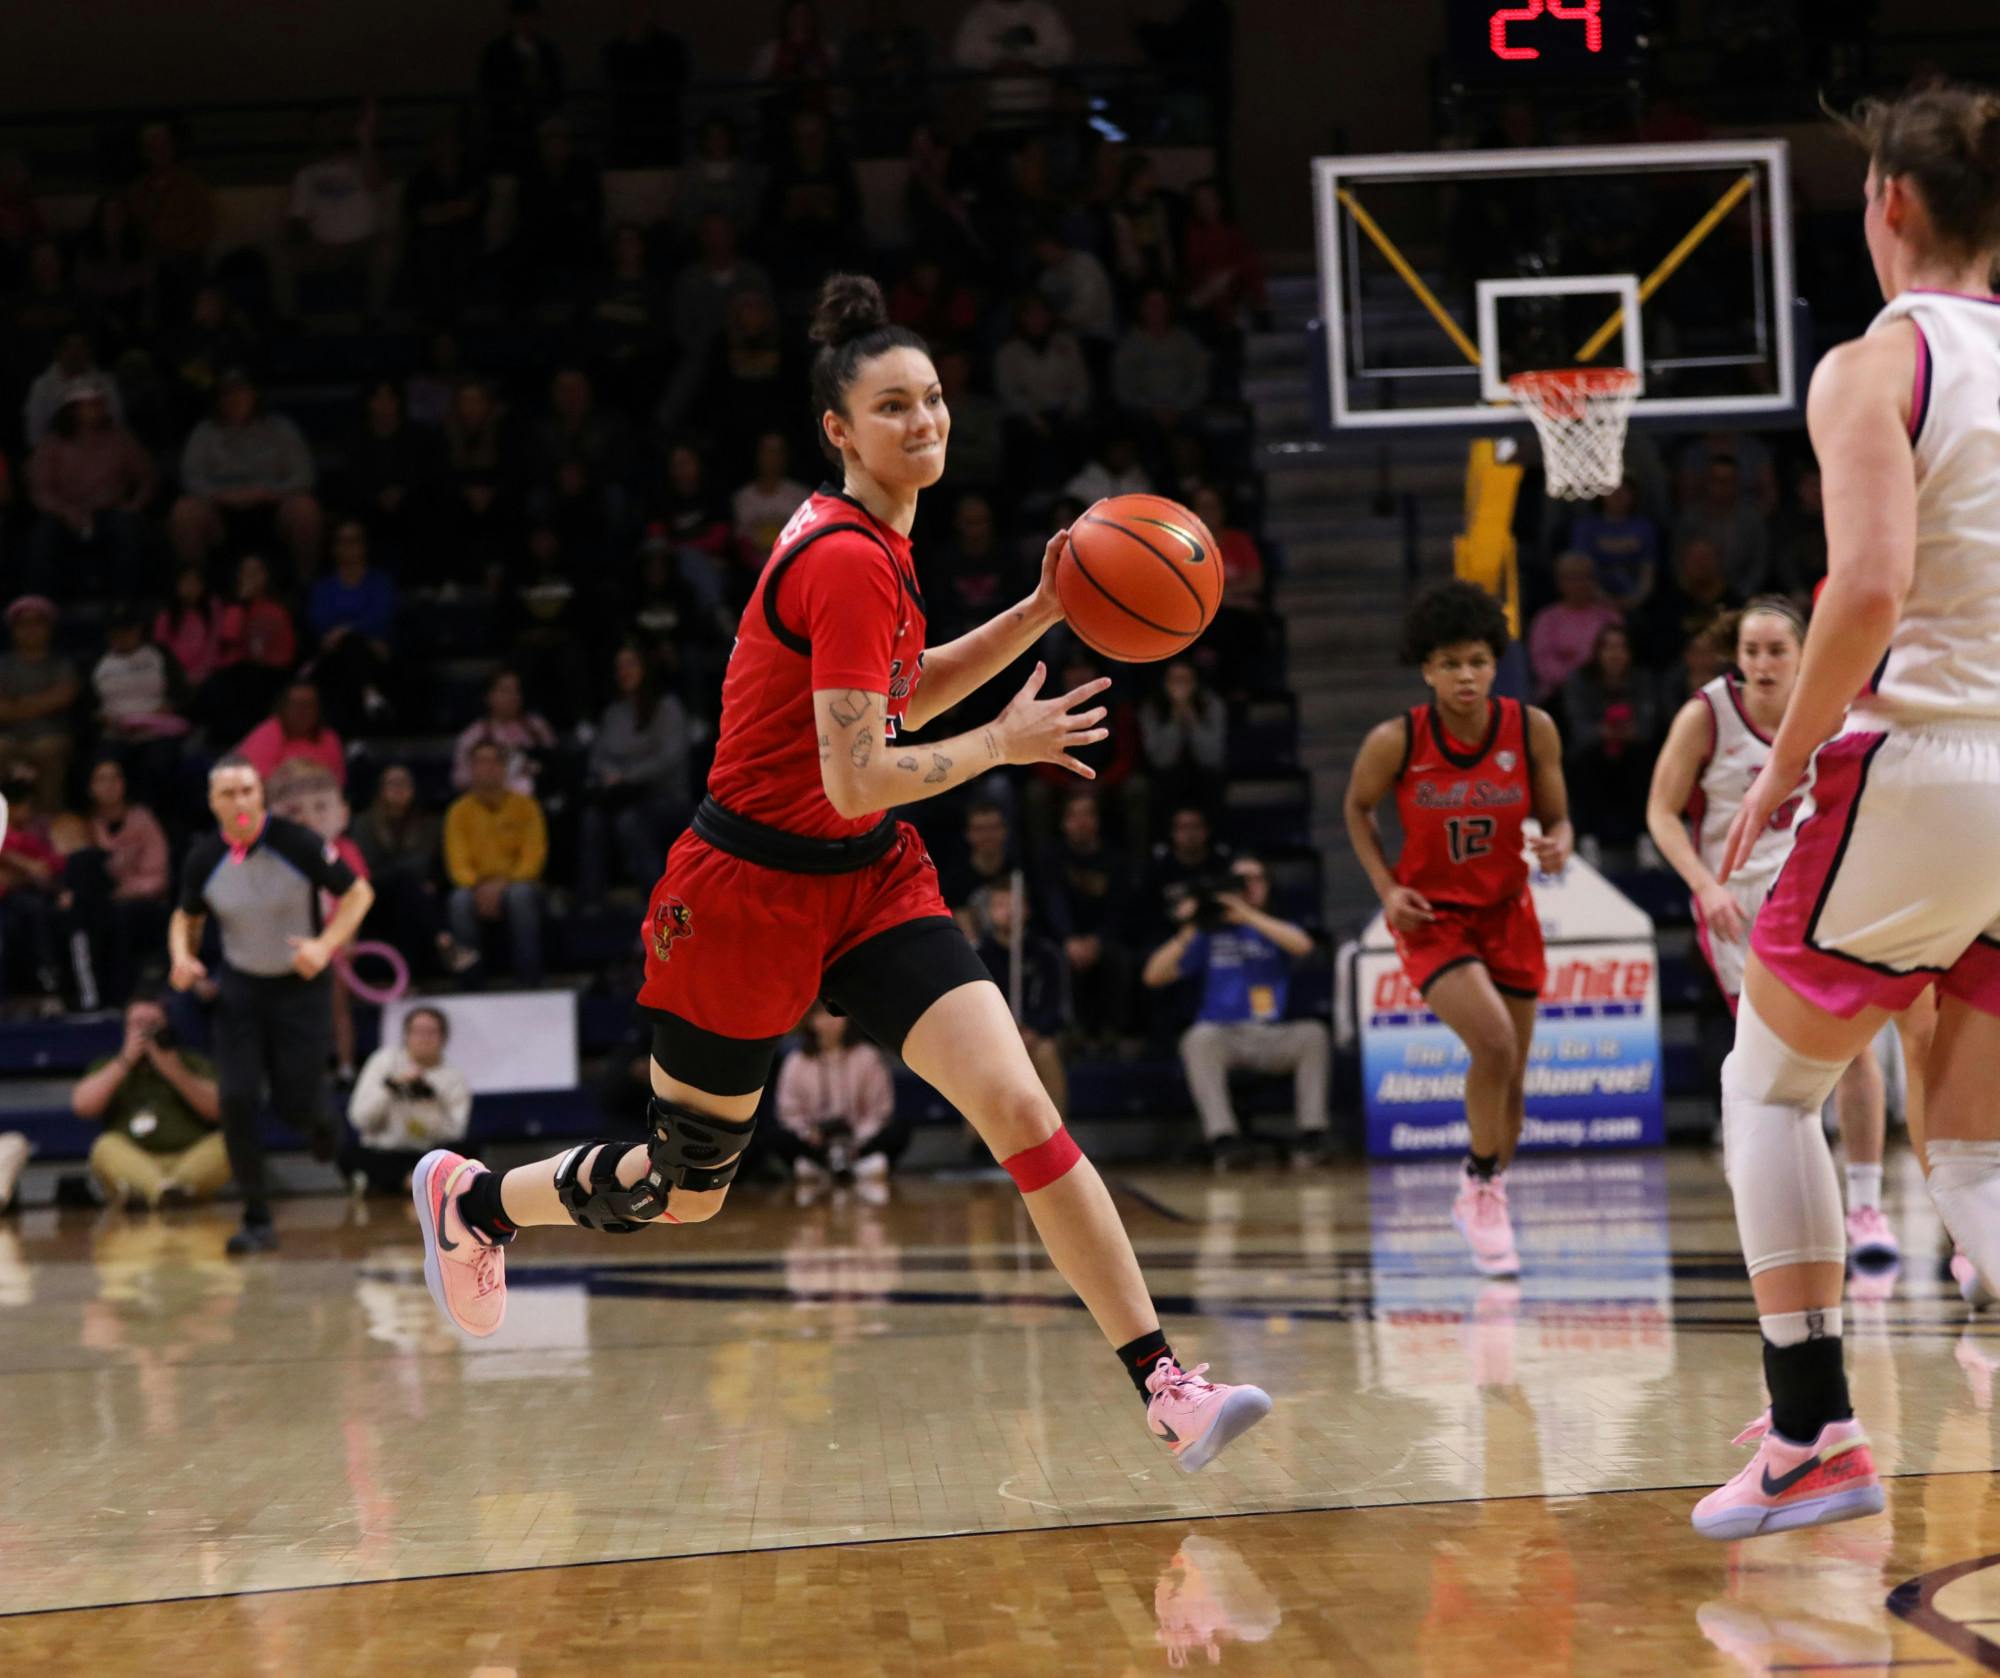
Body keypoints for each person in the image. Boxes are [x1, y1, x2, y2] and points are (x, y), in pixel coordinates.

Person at [408, 272, 1271, 1471]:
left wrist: (1037, 606)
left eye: (930, 401)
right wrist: (1004, 746)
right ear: (837, 430)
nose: (922, 423)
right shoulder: (848, 560)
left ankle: (1163, 1382)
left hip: (867, 880)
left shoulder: (877, 546)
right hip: (744, 891)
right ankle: (477, 1200)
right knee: (685, 1185)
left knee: (1021, 1108)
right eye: (892, 408)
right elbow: (862, 768)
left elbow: (889, 700)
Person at [1687, 86, 2000, 1540]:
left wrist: (1794, 761)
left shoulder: (1876, 364)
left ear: (1888, 202)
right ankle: (1807, 1413)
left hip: (1929, 758)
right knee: (1978, 1141)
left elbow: (1868, 587)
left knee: (1770, 1085)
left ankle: (1812, 1427)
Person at [1645, 599, 1909, 1271]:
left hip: (1818, 896)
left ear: (1802, 655)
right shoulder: (1706, 716)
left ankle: (1865, 1205)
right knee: (1771, 1065)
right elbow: (1661, 811)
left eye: (1775, 651)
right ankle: (1778, 1201)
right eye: (1751, 650)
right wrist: (1704, 887)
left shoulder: (1835, 708)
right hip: (1737, 906)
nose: (1761, 663)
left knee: (1854, 1052)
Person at [1343, 580, 1573, 1275]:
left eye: (1475, 660)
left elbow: (1558, 816)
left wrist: (1560, 840)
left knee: (1513, 1078)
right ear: (1426, 669)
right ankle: (1476, 1184)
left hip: (1509, 912)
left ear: (1494, 662)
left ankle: (1490, 1191)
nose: (1464, 676)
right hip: (1435, 922)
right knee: (1495, 1044)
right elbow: (1357, 809)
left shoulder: (1532, 728)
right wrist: (1388, 888)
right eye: (1449, 664)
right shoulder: (1397, 740)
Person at [169, 756, 374, 1253]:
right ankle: (257, 1218)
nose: (239, 801)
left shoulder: (295, 842)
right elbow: (186, 915)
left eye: (246, 790)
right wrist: (182, 957)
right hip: (242, 988)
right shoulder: (203, 857)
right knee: (236, 1098)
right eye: (228, 793)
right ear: (213, 803)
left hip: (300, 987)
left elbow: (358, 893)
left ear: (260, 795)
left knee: (295, 1103)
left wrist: (324, 946)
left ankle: (325, 1127)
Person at [1144, 855, 1328, 1169]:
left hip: (1271, 1035)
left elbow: (1303, 947)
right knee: (1198, 1039)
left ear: (1268, 886)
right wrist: (1192, 925)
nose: (1247, 887)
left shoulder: (1271, 928)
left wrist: (1246, 914)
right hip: (1223, 1036)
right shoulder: (1209, 933)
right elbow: (1153, 976)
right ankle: (1223, 1139)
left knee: (1313, 1034)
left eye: (1255, 880)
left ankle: (1312, 1134)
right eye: (1239, 882)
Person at [70, 994, 228, 1208]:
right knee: (104, 1148)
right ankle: (162, 1190)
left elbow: (220, 1110)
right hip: (136, 1163)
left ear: (168, 1027)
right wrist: (125, 1061)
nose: (145, 1033)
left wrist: (173, 1071)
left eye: (153, 1025)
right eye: (138, 1025)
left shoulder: (191, 1062)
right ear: (125, 1030)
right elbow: (83, 1107)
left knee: (228, 1143)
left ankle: (170, 1189)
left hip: (188, 1161)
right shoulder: (109, 1064)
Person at [170, 371, 324, 584]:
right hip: (220, 512)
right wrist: (222, 495)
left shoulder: (281, 428)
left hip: (273, 507)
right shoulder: (204, 432)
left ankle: (307, 584)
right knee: (184, 512)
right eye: (228, 393)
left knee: (305, 509)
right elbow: (190, 478)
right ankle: (193, 588)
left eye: (241, 391)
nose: (235, 398)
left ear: (255, 394)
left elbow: (304, 475)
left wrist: (270, 492)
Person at [580, 643, 692, 904]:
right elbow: (598, 758)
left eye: (630, 664)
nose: (624, 672)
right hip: (621, 797)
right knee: (592, 820)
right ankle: (590, 903)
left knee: (630, 822)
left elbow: (670, 759)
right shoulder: (614, 712)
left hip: (665, 798)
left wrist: (628, 776)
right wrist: (611, 776)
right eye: (619, 667)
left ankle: (660, 906)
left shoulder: (668, 708)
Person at [25, 380, 154, 602]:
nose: (94, 410)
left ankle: (122, 606)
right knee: (43, 537)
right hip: (65, 514)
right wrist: (65, 511)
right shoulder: (52, 444)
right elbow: (40, 489)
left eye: (97, 404)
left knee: (127, 533)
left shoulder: (120, 439)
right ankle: (45, 606)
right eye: (87, 405)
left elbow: (147, 477)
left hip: (111, 511)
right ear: (72, 409)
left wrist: (134, 505)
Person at [772, 1000, 907, 1195]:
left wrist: (857, 1138)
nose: (829, 1022)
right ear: (810, 1020)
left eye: (834, 1015)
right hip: (816, 1141)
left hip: (858, 1138)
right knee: (776, 1137)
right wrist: (810, 1134)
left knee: (898, 1130)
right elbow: (789, 1112)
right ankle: (826, 1165)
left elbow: (880, 1109)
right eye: (820, 1015)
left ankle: (852, 1163)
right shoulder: (796, 1061)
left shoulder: (867, 1057)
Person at [275, 102, 392, 322]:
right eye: (319, 129)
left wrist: (366, 142)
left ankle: (372, 324)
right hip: (324, 248)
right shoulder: (306, 174)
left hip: (363, 244)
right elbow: (296, 221)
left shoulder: (358, 163)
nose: (326, 134)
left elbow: (376, 183)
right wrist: (307, 242)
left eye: (330, 127)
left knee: (381, 255)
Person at [444, 738, 548, 986]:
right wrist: (478, 886)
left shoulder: (526, 806)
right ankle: (471, 983)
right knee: (459, 900)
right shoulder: (459, 811)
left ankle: (529, 982)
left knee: (520, 895)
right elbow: (457, 863)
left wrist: (502, 885)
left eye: (493, 761)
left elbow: (534, 857)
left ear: (504, 767)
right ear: (470, 768)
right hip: (475, 888)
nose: (487, 768)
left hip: (517, 884)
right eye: (480, 762)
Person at [1040, 786, 1135, 1044]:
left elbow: (1120, 909)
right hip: (1064, 938)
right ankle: (1071, 1033)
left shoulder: (1115, 860)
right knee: (1054, 957)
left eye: (1088, 815)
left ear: (1097, 821)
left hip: (1104, 937)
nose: (1081, 823)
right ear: (1063, 823)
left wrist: (1098, 940)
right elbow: (1052, 903)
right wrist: (1069, 939)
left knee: (1119, 958)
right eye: (1074, 816)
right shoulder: (1051, 858)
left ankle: (1113, 1033)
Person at [342, 1006, 472, 1196]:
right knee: (348, 1154)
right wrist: (391, 1087)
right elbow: (359, 1119)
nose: (424, 1038)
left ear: (444, 1038)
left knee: (466, 1152)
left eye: (431, 1032)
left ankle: (398, 1182)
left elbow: (455, 1132)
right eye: (418, 1031)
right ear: (406, 1035)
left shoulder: (454, 1077)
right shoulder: (384, 1062)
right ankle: (417, 1184)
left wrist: (429, 1102)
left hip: (428, 1154)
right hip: (387, 1151)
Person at [970, 879, 1072, 1118]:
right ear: (990, 912)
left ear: (1026, 909)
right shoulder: (977, 956)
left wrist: (1033, 1030)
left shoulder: (1045, 954)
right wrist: (1006, 1035)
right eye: (1000, 904)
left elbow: (1056, 1007)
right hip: (993, 1038)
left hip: (1035, 1036)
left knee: (1046, 1053)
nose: (1008, 911)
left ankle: (1058, 1134)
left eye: (1014, 903)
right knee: (975, 1060)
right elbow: (974, 1010)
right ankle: (978, 1139)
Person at [1558, 622, 1658, 852]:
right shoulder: (1579, 680)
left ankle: (1645, 838)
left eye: (1621, 647)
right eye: (1608, 648)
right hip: (1592, 751)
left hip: (1633, 750)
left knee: (1644, 761)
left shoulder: (1643, 679)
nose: (1614, 654)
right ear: (1597, 652)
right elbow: (1577, 726)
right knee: (1585, 762)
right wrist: (1604, 732)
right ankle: (1586, 838)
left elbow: (1648, 726)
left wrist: (1627, 732)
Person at [304, 518, 398, 734]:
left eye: (354, 541)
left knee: (354, 645)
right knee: (350, 648)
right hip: (334, 654)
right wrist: (350, 633)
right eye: (342, 542)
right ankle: (369, 694)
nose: (349, 547)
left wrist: (347, 630)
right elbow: (320, 620)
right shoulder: (324, 587)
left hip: (375, 652)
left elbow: (381, 617)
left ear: (364, 546)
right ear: (334, 548)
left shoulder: (379, 582)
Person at [0, 595, 79, 813]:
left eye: (37, 623)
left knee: (48, 751)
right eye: (23, 624)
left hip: (50, 736)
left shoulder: (62, 663)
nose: (30, 629)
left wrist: (17, 705)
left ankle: (47, 821)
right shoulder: (3, 665)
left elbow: (64, 696)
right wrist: (43, 702)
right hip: (8, 737)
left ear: (49, 627)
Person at [1140, 659, 1226, 824]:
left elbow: (1212, 756)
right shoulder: (1152, 707)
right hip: (1166, 776)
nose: (1180, 687)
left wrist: (1192, 719)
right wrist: (1175, 716)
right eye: (1175, 680)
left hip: (1205, 775)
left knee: (1213, 782)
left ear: (1196, 682)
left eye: (1185, 680)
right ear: (1165, 683)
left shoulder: (1212, 703)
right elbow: (1161, 759)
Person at [1527, 552, 1622, 699]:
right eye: (1572, 577)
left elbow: (1620, 657)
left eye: (1585, 577)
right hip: (1558, 695)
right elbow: (1543, 665)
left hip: (1605, 693)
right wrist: (1579, 680)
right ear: (1559, 582)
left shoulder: (1609, 616)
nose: (1579, 583)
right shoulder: (1546, 619)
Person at [452, 669, 558, 797]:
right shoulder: (473, 735)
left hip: (537, 800)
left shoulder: (537, 727)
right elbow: (460, 780)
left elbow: (555, 765)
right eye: (505, 691)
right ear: (488, 696)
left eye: (516, 691)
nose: (513, 696)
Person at [238, 679, 346, 789]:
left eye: (309, 705)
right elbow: (255, 786)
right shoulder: (266, 735)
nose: (302, 711)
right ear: (283, 708)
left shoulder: (329, 739)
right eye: (296, 705)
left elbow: (337, 785)